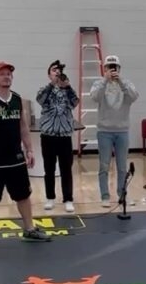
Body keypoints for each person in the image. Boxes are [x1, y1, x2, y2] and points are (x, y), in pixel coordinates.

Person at [0, 61, 52, 252]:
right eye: (2, 74)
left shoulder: (17, 99)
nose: (6, 76)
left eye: (9, 74)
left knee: (23, 196)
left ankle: (29, 229)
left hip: (15, 158)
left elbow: (23, 127)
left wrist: (29, 150)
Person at [90, 55, 138, 208]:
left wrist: (121, 82)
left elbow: (133, 97)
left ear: (119, 69)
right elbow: (95, 97)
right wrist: (105, 80)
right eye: (109, 67)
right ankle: (105, 196)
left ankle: (122, 194)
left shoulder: (127, 84)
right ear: (104, 69)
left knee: (122, 166)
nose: (112, 70)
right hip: (104, 131)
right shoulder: (99, 84)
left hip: (122, 131)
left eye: (115, 67)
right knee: (104, 165)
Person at [36, 61, 79, 213]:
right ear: (49, 74)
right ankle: (50, 198)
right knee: (49, 169)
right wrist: (52, 85)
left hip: (65, 136)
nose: (57, 72)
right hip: (48, 136)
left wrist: (67, 86)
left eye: (59, 70)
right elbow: (40, 100)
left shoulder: (67, 90)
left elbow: (75, 103)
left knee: (66, 169)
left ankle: (68, 199)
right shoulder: (44, 90)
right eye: (54, 70)